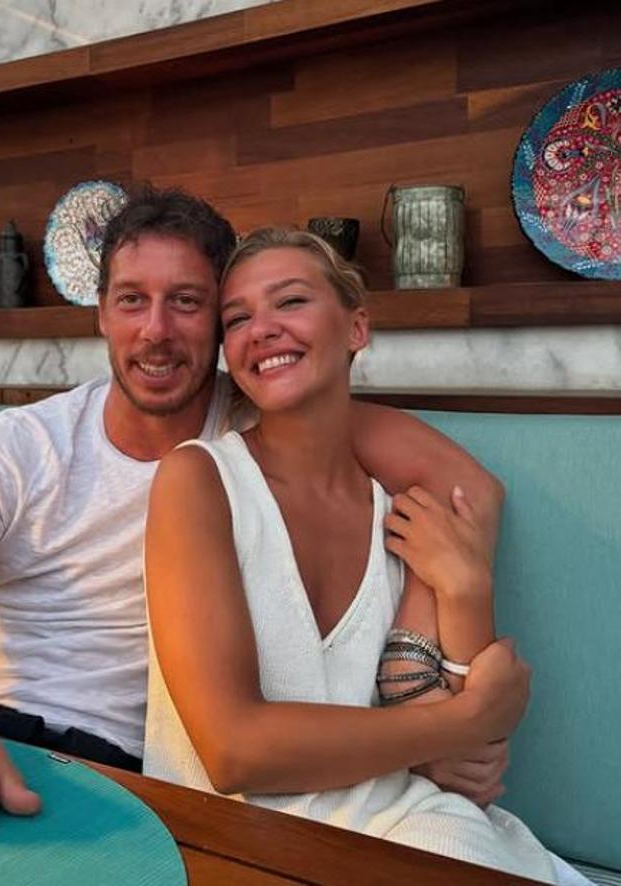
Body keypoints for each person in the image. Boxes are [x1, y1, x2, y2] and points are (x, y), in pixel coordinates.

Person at [0, 186, 506, 837]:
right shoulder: (21, 446)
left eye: (186, 302)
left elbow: (466, 492)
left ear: (219, 322)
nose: (156, 332)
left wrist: (415, 677)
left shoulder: (267, 421)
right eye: (131, 300)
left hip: (136, 781)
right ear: (102, 315)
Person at [142, 228, 564, 883]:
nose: (262, 329)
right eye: (238, 319)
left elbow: (464, 769)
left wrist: (465, 591)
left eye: (290, 301)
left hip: (409, 825)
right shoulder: (198, 481)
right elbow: (231, 751)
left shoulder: (405, 515)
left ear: (357, 328)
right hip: (230, 844)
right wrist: (466, 719)